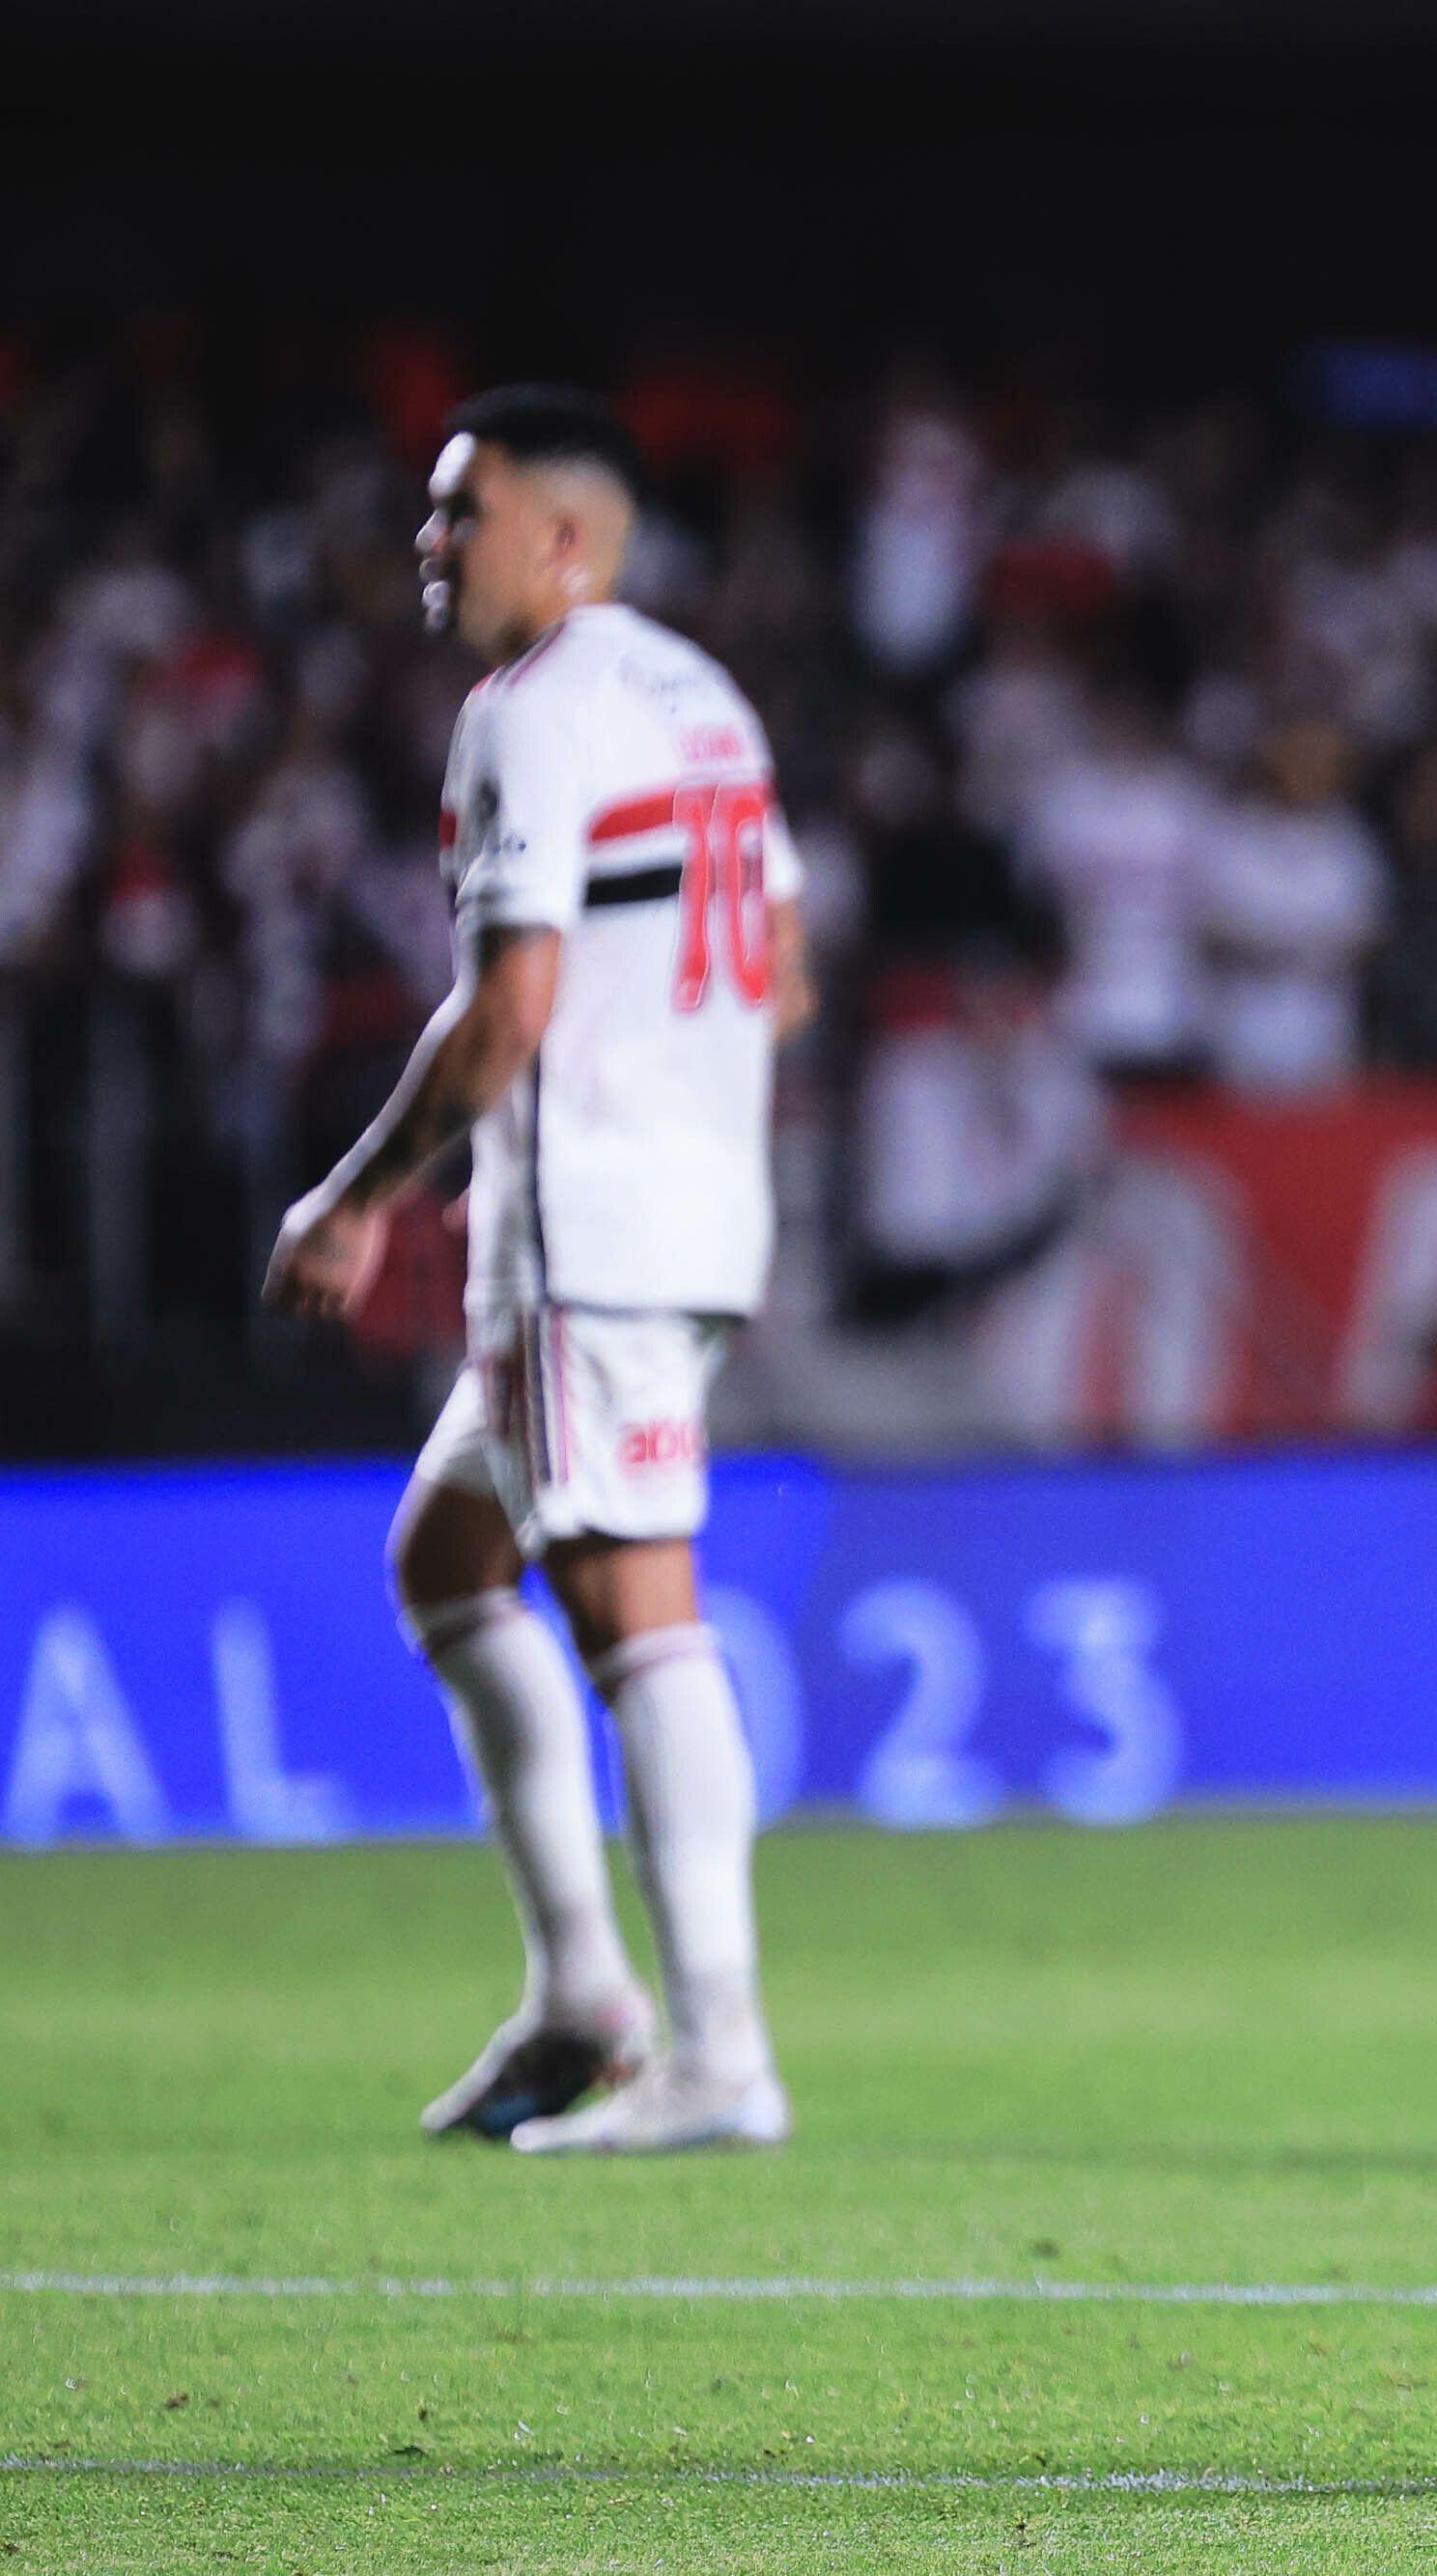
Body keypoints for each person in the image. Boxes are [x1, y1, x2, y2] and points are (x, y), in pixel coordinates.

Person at [264, 386, 813, 2154]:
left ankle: (720, 2047)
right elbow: (783, 970)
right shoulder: (701, 696)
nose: (430, 545)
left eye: (460, 511)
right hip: (697, 1199)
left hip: (592, 1219)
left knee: (632, 1599)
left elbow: (510, 1011)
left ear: (560, 536)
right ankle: (585, 1992)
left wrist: (355, 1196)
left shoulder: (536, 710)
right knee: (448, 1556)